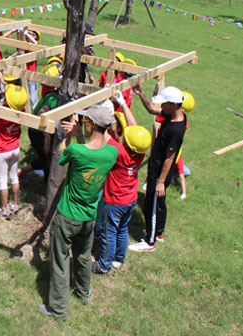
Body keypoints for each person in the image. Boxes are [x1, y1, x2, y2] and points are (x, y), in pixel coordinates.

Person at [38, 104, 117, 321]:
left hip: (67, 216)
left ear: (92, 125)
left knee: (60, 260)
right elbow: (94, 149)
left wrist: (66, 136)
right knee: (83, 255)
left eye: (85, 121)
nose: (82, 123)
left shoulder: (76, 150)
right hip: (89, 216)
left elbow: (63, 155)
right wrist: (82, 134)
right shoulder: (112, 153)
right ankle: (83, 292)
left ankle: (58, 309)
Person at [92, 92, 151, 274]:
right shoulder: (138, 152)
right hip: (130, 199)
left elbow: (104, 131)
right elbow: (134, 129)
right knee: (122, 228)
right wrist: (123, 104)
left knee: (109, 232)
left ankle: (104, 264)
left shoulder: (119, 153)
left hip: (115, 201)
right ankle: (119, 258)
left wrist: (104, 114)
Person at [128, 85, 187, 252]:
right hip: (160, 171)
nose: (161, 107)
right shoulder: (174, 116)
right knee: (159, 202)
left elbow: (170, 157)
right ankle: (159, 232)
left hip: (160, 172)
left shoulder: (175, 129)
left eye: (164, 103)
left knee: (151, 205)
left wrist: (160, 181)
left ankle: (149, 242)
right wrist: (141, 94)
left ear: (174, 104)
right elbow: (151, 110)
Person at [0, 85, 28, 218]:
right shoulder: (20, 110)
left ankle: (4, 209)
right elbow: (14, 98)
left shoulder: (3, 112)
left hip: (3, 150)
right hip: (15, 149)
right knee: (14, 177)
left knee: (2, 180)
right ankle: (14, 203)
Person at [18, 65, 60, 183]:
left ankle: (22, 171)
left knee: (47, 158)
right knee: (48, 160)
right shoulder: (54, 98)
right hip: (37, 131)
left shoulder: (52, 94)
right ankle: (46, 189)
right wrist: (46, 137)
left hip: (37, 129)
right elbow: (42, 113)